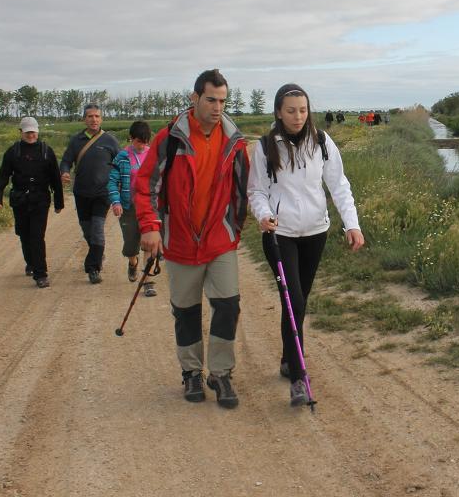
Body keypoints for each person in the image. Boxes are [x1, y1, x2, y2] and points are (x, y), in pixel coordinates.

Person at [137, 69, 249, 409]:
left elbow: (244, 188)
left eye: (223, 101)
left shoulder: (234, 140)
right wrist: (151, 226)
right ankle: (191, 373)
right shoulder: (170, 138)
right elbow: (146, 185)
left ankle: (220, 373)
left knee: (228, 305)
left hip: (218, 240)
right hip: (181, 241)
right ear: (194, 98)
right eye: (211, 100)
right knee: (185, 311)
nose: (218, 107)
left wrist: (234, 227)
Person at [248, 83, 365, 407]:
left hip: (315, 232)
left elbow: (339, 185)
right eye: (291, 110)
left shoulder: (322, 142)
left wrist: (352, 225)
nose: (298, 116)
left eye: (302, 110)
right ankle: (299, 378)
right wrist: (264, 214)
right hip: (280, 234)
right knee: (294, 301)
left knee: (298, 301)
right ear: (278, 112)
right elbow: (256, 190)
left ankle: (288, 359)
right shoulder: (265, 146)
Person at [0, 116, 64, 288]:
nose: (31, 135)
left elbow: (55, 178)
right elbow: (3, 175)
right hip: (20, 200)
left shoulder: (46, 151)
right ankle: (31, 263)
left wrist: (59, 201)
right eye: (27, 132)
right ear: (21, 132)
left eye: (33, 132)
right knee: (24, 234)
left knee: (37, 236)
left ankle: (41, 274)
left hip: (40, 200)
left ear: (37, 132)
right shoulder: (13, 152)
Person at [59, 104, 120, 284]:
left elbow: (120, 163)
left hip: (103, 193)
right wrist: (65, 172)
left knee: (97, 229)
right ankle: (97, 253)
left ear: (101, 119)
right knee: (87, 230)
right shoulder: (76, 140)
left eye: (97, 116)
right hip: (81, 192)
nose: (94, 119)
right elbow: (66, 161)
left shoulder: (110, 140)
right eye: (90, 116)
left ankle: (93, 268)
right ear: (84, 119)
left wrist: (120, 184)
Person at [108, 121, 156, 297]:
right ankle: (132, 263)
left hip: (149, 207)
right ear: (131, 138)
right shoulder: (122, 157)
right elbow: (112, 181)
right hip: (129, 207)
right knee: (131, 245)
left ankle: (148, 282)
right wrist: (116, 202)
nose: (142, 145)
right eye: (138, 141)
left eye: (145, 142)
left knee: (149, 244)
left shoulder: (153, 155)